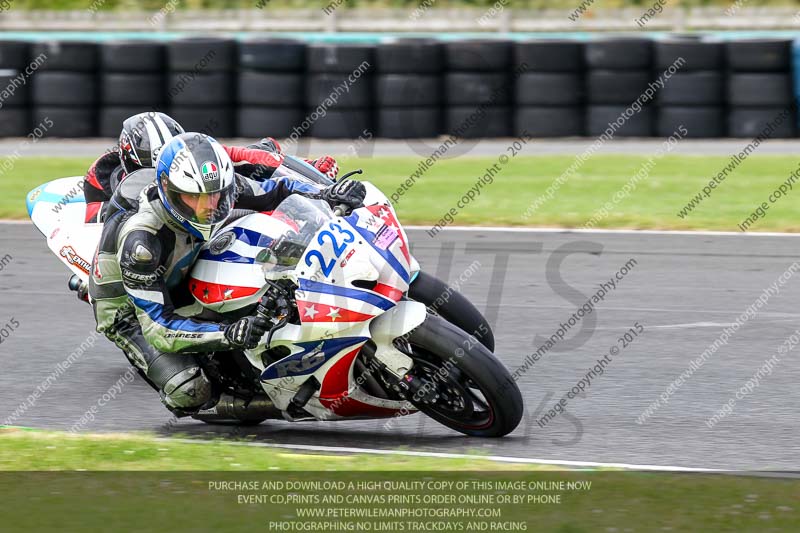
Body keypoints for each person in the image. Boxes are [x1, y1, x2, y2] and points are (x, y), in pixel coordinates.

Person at [88, 132, 365, 415]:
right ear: (167, 191)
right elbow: (158, 328)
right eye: (193, 199)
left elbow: (275, 190)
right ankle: (232, 399)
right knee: (188, 389)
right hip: (132, 310)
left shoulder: (216, 192)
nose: (207, 209)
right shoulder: (142, 243)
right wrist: (227, 333)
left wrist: (325, 193)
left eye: (215, 198)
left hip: (185, 257)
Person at [83, 111, 340, 223]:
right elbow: (94, 229)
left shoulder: (190, 157)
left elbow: (250, 156)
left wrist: (310, 171)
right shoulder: (103, 178)